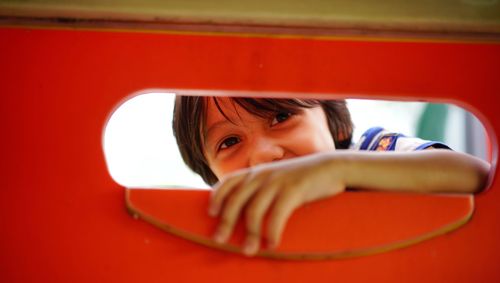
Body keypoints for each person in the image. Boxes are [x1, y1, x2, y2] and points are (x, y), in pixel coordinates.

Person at [172, 96, 490, 256]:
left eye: (282, 117)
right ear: (211, 175)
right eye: (229, 142)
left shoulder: (371, 152)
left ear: (334, 123)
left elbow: (475, 174)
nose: (263, 155)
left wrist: (339, 168)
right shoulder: (233, 223)